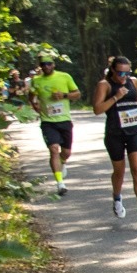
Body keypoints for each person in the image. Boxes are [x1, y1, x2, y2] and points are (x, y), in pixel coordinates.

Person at [93, 56, 137, 224]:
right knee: (119, 171)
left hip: (135, 131)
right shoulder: (105, 85)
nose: (124, 76)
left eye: (127, 73)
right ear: (112, 71)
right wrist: (115, 97)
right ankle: (117, 197)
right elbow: (97, 109)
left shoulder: (133, 81)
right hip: (115, 134)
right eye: (120, 73)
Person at [28, 55, 81, 196]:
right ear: (40, 66)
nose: (46, 66)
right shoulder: (36, 80)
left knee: (66, 152)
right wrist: (35, 105)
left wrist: (64, 95)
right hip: (48, 122)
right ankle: (60, 184)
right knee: (53, 149)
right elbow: (31, 95)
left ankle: (62, 162)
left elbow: (77, 94)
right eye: (43, 64)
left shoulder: (64, 77)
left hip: (64, 120)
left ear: (53, 64)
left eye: (49, 64)